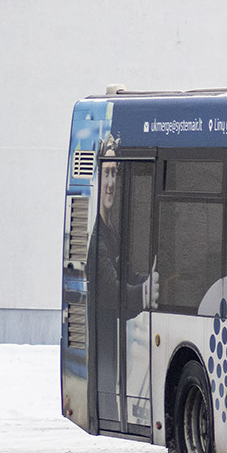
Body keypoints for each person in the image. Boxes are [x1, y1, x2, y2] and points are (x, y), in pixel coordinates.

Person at [87, 135, 157, 426]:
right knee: (108, 408)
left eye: (115, 173)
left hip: (113, 357)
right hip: (101, 354)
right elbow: (113, 291)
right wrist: (145, 292)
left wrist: (152, 281)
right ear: (96, 177)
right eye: (106, 173)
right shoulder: (96, 240)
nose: (111, 183)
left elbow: (126, 274)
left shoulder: (112, 231)